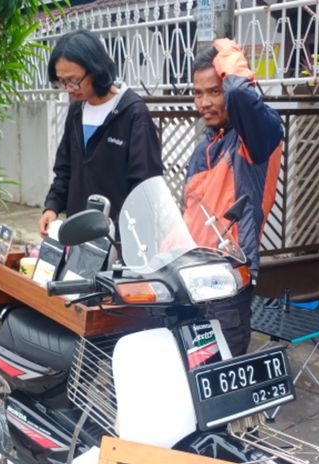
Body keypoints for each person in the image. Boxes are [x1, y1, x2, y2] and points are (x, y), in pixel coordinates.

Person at [183, 39, 284, 356]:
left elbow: (241, 93)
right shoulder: (205, 147)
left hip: (229, 280)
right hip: (191, 277)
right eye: (198, 93)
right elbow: (189, 214)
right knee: (191, 371)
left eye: (215, 91)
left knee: (219, 372)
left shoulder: (255, 138)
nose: (205, 103)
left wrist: (226, 49)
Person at [38, 30, 164, 236]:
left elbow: (145, 186)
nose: (69, 89)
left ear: (95, 69)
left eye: (73, 80)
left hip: (120, 238)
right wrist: (51, 207)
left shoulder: (133, 113)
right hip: (79, 232)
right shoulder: (76, 112)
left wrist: (128, 234)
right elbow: (64, 170)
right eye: (61, 82)